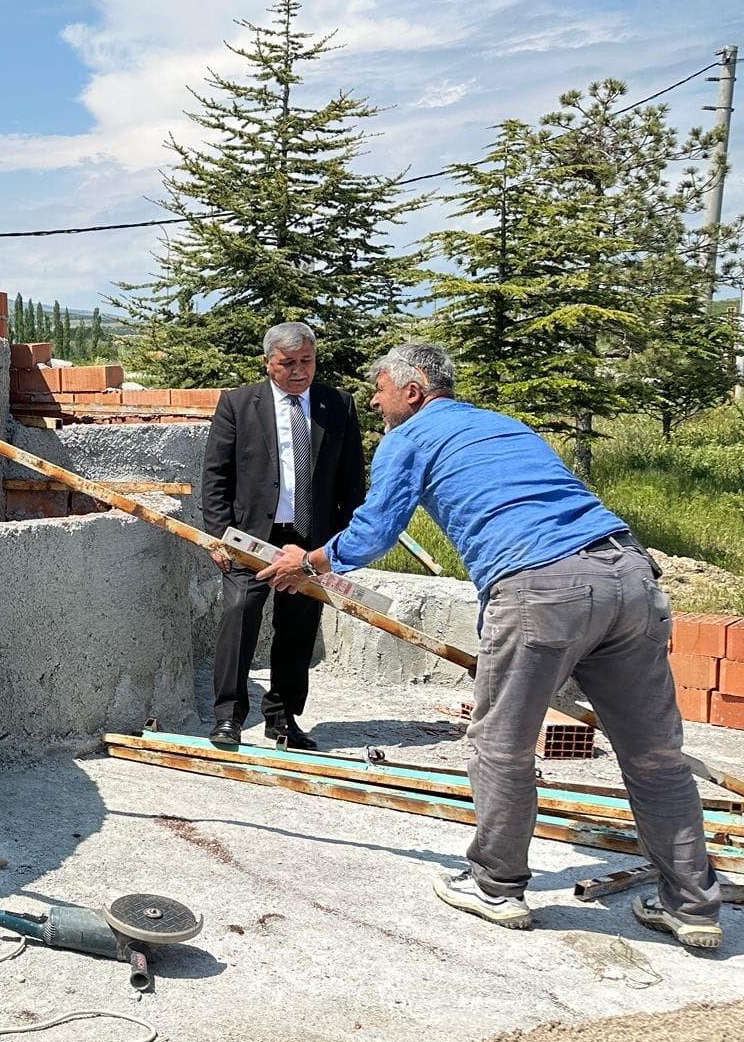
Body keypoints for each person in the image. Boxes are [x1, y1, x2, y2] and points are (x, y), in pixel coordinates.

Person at [258, 341, 722, 950]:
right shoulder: (503, 425)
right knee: (656, 755)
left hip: (539, 587)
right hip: (631, 576)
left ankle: (496, 887)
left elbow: (375, 530)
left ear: (414, 389)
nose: (372, 400)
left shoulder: (412, 436)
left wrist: (310, 561)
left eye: (380, 387)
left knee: (500, 745)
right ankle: (693, 906)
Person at [200, 321, 365, 750]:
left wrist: (341, 544)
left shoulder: (337, 404)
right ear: (268, 363)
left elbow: (351, 480)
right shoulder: (238, 404)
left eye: (306, 362)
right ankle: (228, 717)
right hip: (250, 535)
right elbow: (216, 476)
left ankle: (284, 719)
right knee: (239, 613)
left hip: (310, 538)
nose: (298, 372)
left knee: (298, 627)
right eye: (288, 363)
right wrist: (218, 535)